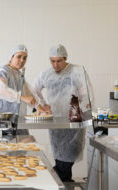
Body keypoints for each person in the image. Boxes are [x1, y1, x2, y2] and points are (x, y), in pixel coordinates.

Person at [34, 44, 93, 182]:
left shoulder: (77, 71)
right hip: (55, 120)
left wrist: (86, 116)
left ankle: (49, 183)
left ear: (65, 58)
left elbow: (86, 94)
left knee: (70, 153)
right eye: (52, 61)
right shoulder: (46, 74)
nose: (55, 64)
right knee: (59, 154)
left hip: (74, 119)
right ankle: (63, 181)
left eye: (59, 61)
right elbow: (34, 90)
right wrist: (43, 104)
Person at [0, 45, 49, 123]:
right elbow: (2, 90)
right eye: (19, 57)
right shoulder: (2, 71)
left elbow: (28, 92)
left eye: (24, 58)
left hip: (15, 120)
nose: (22, 60)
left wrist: (38, 105)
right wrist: (22, 97)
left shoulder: (19, 74)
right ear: (11, 57)